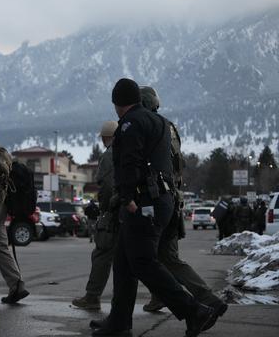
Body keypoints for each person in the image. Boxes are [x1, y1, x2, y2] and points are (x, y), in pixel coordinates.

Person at [91, 78, 216, 337]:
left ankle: (195, 311)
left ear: (117, 103)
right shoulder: (160, 122)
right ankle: (119, 322)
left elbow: (129, 163)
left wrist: (127, 199)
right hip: (163, 199)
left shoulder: (129, 124)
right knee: (123, 263)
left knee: (144, 263)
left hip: (142, 202)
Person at [139, 86, 228, 322]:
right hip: (173, 200)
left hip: (157, 200)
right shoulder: (169, 127)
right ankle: (162, 297)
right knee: (163, 257)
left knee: (146, 256)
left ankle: (204, 300)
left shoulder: (149, 127)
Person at [71, 121, 119, 310]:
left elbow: (107, 185)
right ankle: (159, 295)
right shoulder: (131, 150)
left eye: (104, 138)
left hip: (114, 212)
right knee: (139, 258)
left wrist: (106, 210)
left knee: (101, 254)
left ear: (107, 137)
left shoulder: (109, 155)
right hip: (132, 212)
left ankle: (92, 297)